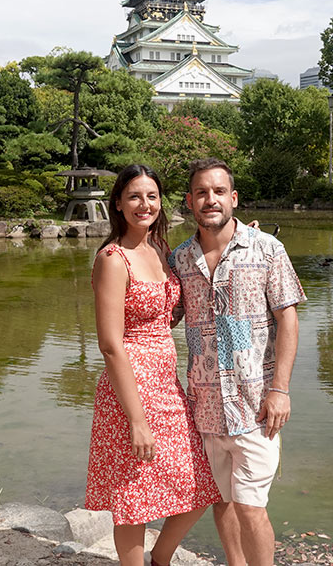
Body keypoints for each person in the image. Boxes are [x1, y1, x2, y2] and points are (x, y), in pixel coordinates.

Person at [169, 158, 306, 566]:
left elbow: (288, 318)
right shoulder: (180, 259)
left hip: (255, 404)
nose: (210, 199)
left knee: (251, 505)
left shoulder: (266, 249)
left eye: (217, 191)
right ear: (190, 202)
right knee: (222, 499)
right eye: (200, 193)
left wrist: (280, 389)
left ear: (233, 197)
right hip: (206, 405)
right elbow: (162, 317)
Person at [85, 164, 221, 566]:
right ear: (118, 204)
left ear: (161, 203)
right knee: (133, 493)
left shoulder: (160, 250)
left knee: (201, 478)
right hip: (129, 388)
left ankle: (160, 559)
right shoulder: (113, 258)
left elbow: (167, 313)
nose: (144, 204)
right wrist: (136, 419)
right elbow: (110, 345)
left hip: (167, 384)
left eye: (151, 196)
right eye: (134, 197)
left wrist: (236, 237)